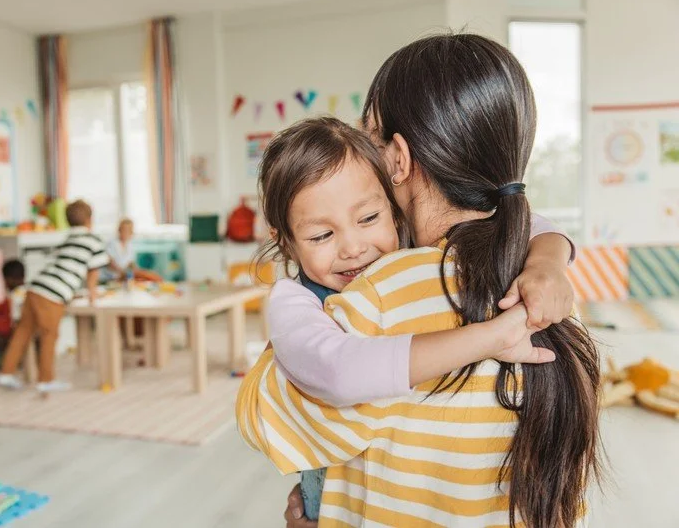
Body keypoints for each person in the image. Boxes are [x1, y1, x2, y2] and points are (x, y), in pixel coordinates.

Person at [238, 34, 600, 528]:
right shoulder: (549, 296)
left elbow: (274, 420)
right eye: (323, 233)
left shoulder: (379, 293)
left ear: (399, 158)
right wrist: (550, 258)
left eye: (371, 138)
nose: (351, 248)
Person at [0, 200, 108, 393]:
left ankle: (6, 374)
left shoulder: (66, 240)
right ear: (90, 220)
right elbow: (93, 273)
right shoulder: (93, 241)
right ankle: (46, 380)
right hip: (53, 294)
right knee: (50, 335)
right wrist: (93, 297)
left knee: (23, 331)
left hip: (35, 288)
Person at [102, 218, 162, 284]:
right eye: (124, 230)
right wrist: (124, 272)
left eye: (128, 230)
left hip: (123, 277)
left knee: (151, 277)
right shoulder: (112, 243)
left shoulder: (130, 245)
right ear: (119, 230)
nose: (126, 233)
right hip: (111, 278)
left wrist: (138, 271)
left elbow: (130, 264)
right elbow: (110, 262)